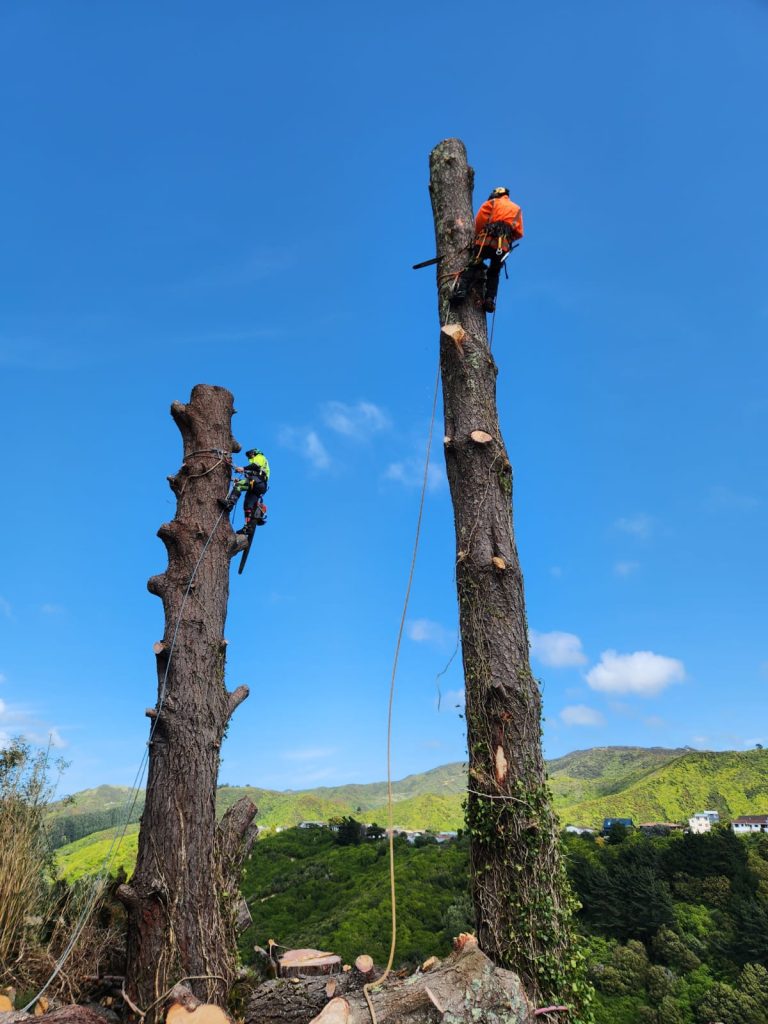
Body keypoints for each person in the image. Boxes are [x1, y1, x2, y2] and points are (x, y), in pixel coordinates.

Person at [451, 187, 524, 313]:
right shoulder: (517, 209)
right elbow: (519, 233)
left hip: (486, 240)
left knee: (474, 264)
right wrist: (508, 237)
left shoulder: (492, 203)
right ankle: (489, 299)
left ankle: (461, 291)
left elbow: (480, 221)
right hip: (503, 246)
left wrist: (477, 236)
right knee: (494, 272)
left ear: (497, 194)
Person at [221, 448, 270, 532]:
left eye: (250, 455)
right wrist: (241, 478)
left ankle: (230, 504)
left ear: (254, 453)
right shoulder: (259, 468)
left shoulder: (260, 457)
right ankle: (247, 527)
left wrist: (243, 468)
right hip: (259, 486)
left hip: (257, 481)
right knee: (248, 505)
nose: (249, 458)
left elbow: (255, 465)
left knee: (238, 486)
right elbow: (253, 471)